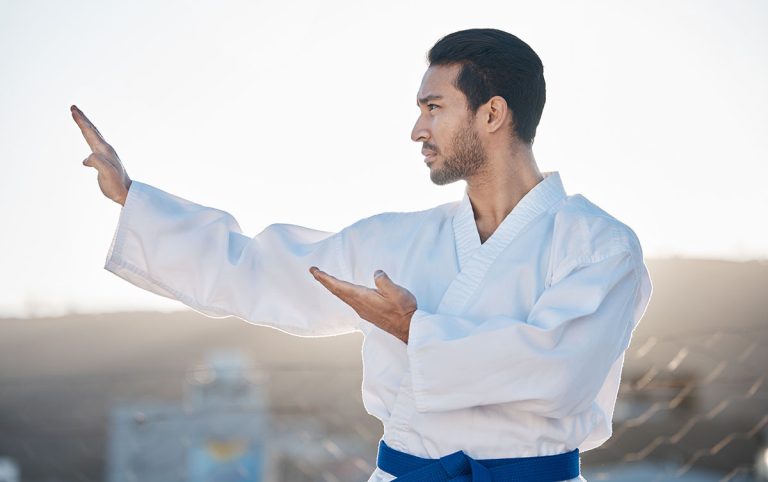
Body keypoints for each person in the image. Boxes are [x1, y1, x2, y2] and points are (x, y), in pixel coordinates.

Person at [73, 28, 652, 482]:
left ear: (493, 114)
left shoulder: (599, 245)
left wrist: (415, 331)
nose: (416, 130)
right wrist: (134, 200)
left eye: (433, 107)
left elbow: (561, 375)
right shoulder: (395, 241)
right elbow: (258, 270)